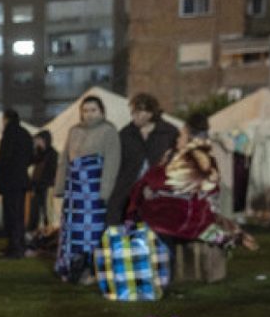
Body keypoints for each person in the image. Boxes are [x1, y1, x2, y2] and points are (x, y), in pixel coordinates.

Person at [126, 113, 257, 252]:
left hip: (175, 218)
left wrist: (147, 187)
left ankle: (163, 265)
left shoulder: (189, 158)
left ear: (189, 135)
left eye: (181, 135)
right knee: (206, 229)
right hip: (199, 220)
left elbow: (156, 180)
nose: (177, 139)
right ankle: (229, 239)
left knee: (151, 220)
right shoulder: (207, 157)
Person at [53, 95, 120, 284]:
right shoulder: (74, 131)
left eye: (93, 110)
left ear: (101, 111)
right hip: (74, 192)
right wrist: (60, 187)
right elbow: (65, 160)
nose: (89, 114)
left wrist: (104, 193)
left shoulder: (108, 131)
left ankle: (90, 271)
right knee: (72, 232)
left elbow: (112, 163)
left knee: (91, 234)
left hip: (94, 191)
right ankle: (71, 268)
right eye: (85, 110)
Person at [106, 93, 179, 226]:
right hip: (127, 193)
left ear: (150, 112)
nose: (134, 115)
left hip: (158, 194)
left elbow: (176, 161)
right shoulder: (125, 134)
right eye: (133, 112)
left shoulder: (169, 133)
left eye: (138, 112)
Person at [0, 108, 34, 259]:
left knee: (11, 216)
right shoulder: (26, 134)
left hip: (10, 181)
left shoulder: (9, 134)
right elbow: (32, 156)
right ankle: (18, 245)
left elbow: (4, 157)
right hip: (21, 180)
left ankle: (14, 248)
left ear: (6, 119)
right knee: (19, 216)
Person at [28, 130, 58, 234]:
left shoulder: (52, 154)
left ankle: (49, 232)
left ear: (45, 140)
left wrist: (45, 182)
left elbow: (52, 172)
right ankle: (33, 232)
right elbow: (31, 162)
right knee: (34, 211)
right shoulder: (39, 154)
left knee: (47, 212)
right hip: (37, 187)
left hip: (47, 187)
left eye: (39, 140)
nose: (37, 142)